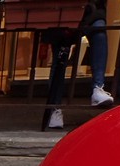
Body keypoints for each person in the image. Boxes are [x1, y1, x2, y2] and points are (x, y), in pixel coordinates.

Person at [43, 1, 114, 130]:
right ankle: (55, 107)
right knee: (60, 57)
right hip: (63, 10)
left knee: (99, 32)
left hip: (90, 9)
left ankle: (98, 88)